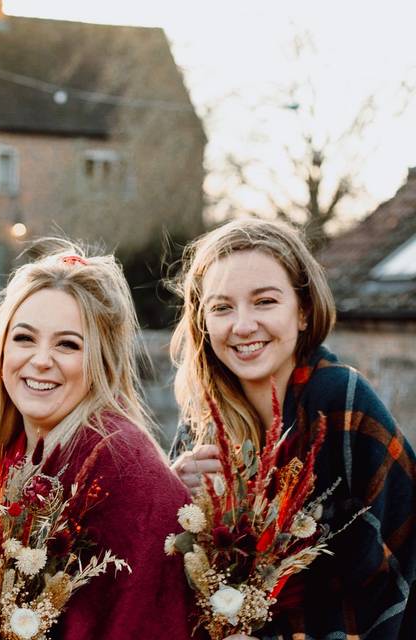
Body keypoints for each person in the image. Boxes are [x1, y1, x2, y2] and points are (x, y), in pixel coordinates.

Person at [169, 218, 416, 639]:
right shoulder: (201, 420)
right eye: (222, 307)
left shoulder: (339, 399)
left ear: (302, 311)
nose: (242, 325)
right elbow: (176, 583)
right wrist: (171, 495)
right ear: (203, 323)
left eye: (264, 301)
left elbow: (402, 565)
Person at [0, 240, 196, 640]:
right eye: (24, 338)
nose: (40, 360)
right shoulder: (12, 454)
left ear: (100, 361)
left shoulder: (120, 466)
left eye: (67, 345)